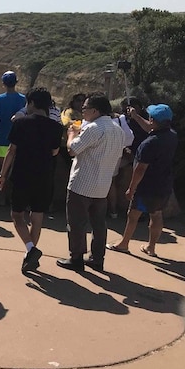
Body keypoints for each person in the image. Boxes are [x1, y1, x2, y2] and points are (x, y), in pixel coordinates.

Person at [0, 88, 63, 272]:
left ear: (31, 103)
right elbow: (54, 152)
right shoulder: (56, 127)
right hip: (45, 174)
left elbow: (11, 150)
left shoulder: (21, 122)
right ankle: (29, 256)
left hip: (22, 174)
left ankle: (31, 250)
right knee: (37, 215)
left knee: (17, 214)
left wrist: (2, 174)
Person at [56, 92, 126, 272]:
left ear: (94, 110)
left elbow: (72, 150)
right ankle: (97, 258)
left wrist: (72, 134)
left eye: (85, 108)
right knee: (99, 224)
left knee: (77, 223)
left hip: (82, 183)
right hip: (102, 185)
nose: (82, 111)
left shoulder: (93, 128)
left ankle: (76, 258)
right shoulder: (117, 130)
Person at [108, 104, 178, 258]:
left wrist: (131, 188)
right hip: (163, 184)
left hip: (146, 187)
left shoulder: (148, 144)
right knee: (156, 215)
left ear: (152, 120)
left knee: (133, 215)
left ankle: (124, 244)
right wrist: (135, 116)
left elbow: (140, 170)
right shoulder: (172, 135)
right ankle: (151, 248)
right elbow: (150, 128)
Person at [0, 71, 27, 205]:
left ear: (3, 84)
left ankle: (1, 198)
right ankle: (15, 200)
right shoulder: (23, 99)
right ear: (16, 82)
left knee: (3, 171)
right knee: (15, 171)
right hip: (19, 139)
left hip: (2, 138)